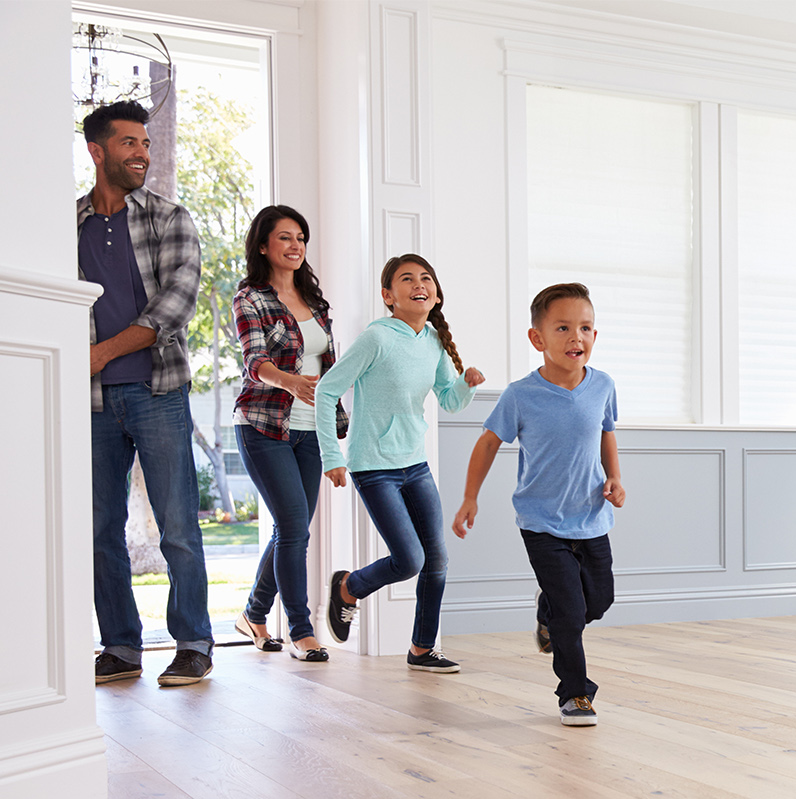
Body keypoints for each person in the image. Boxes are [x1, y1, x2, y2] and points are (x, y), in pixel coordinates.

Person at [79, 100, 213, 687]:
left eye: (146, 143)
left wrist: (100, 355)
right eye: (130, 143)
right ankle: (120, 646)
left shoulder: (169, 217)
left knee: (178, 524)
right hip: (90, 404)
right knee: (100, 527)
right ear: (97, 151)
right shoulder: (68, 224)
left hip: (157, 391)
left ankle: (193, 642)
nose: (142, 153)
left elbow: (175, 305)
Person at [451, 282, 626, 727]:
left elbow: (606, 432)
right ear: (537, 339)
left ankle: (547, 612)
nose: (576, 337)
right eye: (563, 327)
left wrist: (615, 479)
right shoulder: (520, 395)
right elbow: (488, 443)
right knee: (571, 612)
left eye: (585, 328)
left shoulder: (602, 385)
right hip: (541, 522)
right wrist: (470, 497)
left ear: (595, 336)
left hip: (591, 518)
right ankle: (575, 694)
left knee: (598, 601)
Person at [316, 254, 485, 672]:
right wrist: (331, 456)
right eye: (406, 279)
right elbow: (326, 390)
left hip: (415, 463)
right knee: (409, 560)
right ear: (388, 295)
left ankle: (422, 649)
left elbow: (449, 399)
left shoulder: (432, 341)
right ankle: (348, 587)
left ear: (435, 293)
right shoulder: (376, 338)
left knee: (437, 560)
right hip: (373, 465)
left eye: (425, 277)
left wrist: (467, 384)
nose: (418, 284)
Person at [230, 206, 349, 663]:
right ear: (263, 246)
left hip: (311, 432)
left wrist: (334, 426)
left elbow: (330, 367)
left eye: (300, 237)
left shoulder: (315, 303)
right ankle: (302, 631)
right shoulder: (251, 298)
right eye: (284, 237)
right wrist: (289, 381)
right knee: (294, 529)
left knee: (291, 530)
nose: (296, 245)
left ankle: (254, 615)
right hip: (265, 426)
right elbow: (253, 360)